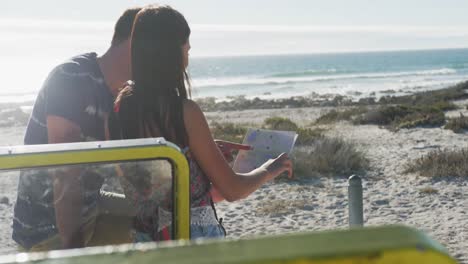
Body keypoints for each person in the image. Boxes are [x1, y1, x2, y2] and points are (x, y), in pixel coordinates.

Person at [114, 5, 293, 240]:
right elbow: (233, 190)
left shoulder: (120, 108)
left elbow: (156, 185)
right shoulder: (183, 112)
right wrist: (270, 169)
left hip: (146, 239)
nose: (187, 56)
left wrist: (201, 156)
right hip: (193, 238)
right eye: (186, 49)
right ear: (171, 54)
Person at [12, 7, 142, 250]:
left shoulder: (124, 93)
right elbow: (65, 174)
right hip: (47, 230)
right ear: (136, 43)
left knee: (167, 217)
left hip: (91, 208)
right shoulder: (71, 78)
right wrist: (74, 250)